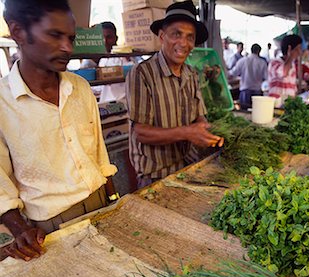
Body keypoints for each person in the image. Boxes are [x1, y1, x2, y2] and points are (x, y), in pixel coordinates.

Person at [0, 0, 118, 261]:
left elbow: (100, 155)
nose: (67, 47)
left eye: (71, 38)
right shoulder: (2, 103)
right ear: (18, 32)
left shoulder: (80, 88)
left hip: (100, 205)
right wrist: (21, 230)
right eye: (54, 35)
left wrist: (113, 199)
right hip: (49, 225)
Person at [126, 0, 223, 189]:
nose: (183, 43)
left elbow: (199, 116)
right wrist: (187, 132)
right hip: (156, 175)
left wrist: (209, 132)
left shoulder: (192, 74)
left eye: (190, 37)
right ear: (162, 36)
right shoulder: (142, 73)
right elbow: (141, 133)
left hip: (189, 165)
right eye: (176, 34)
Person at [229, 43, 268, 110]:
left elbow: (233, 73)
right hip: (257, 92)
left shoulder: (242, 61)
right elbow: (266, 77)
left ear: (251, 50)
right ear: (259, 51)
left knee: (244, 113)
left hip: (245, 91)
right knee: (256, 113)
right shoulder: (262, 63)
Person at [267, 34, 302, 108]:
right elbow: (284, 72)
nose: (299, 52)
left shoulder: (292, 64)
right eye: (297, 49)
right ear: (289, 49)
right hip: (276, 106)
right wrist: (291, 56)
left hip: (288, 106)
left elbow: (293, 87)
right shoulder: (274, 63)